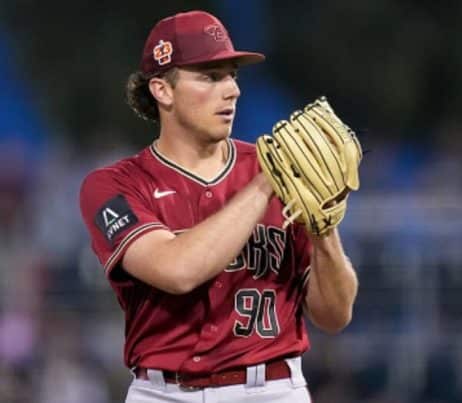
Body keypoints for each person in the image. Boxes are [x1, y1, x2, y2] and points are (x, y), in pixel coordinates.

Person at [78, 10, 358, 403]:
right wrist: (267, 184)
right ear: (162, 90)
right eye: (211, 77)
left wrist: (325, 231)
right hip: (163, 393)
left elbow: (334, 315)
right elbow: (177, 270)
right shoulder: (114, 186)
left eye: (232, 75)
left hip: (273, 389)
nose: (232, 90)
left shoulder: (276, 168)